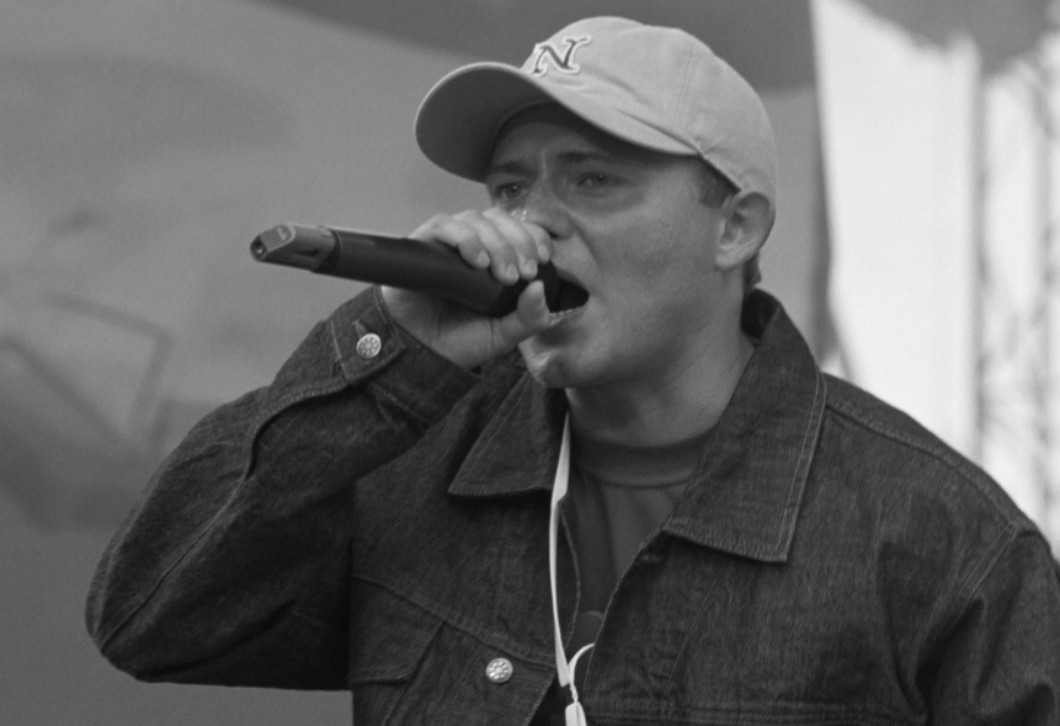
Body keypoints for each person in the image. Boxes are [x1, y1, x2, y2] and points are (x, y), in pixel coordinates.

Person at [86, 16, 1060, 726]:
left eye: (592, 179)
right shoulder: (410, 469)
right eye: (510, 187)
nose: (532, 223)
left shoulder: (940, 541)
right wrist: (390, 348)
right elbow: (148, 616)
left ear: (735, 227)